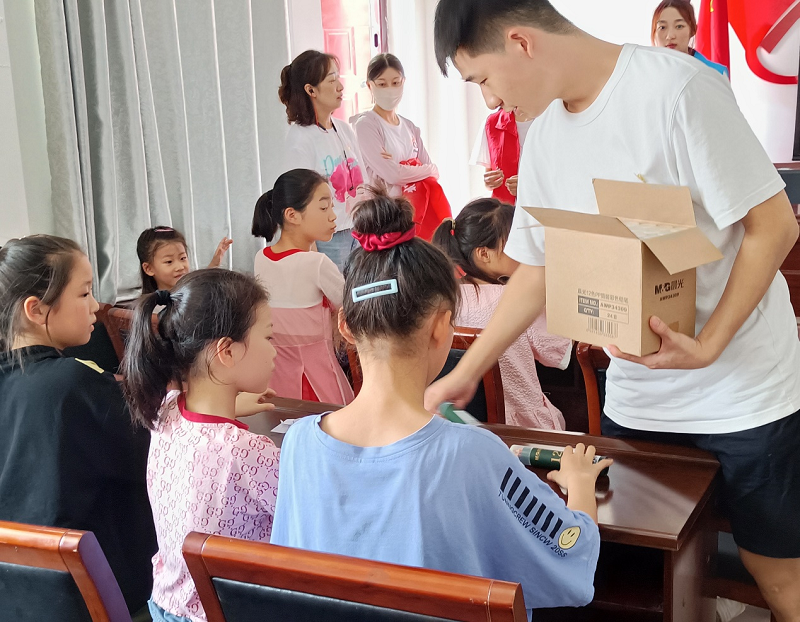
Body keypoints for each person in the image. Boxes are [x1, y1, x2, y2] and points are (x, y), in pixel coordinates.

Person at [427, 1, 800, 618]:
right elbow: (538, 267)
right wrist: (466, 372)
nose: (490, 100)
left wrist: (709, 344)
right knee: (651, 574)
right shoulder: (544, 135)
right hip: (639, 396)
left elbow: (775, 225)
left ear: (520, 42)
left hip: (743, 388)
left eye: (483, 79)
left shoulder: (679, 92)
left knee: (776, 572)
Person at [270, 191, 611, 620]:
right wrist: (579, 484)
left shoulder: (300, 443)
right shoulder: (471, 452)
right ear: (441, 325)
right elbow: (571, 560)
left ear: (347, 326)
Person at [0, 235, 156, 615]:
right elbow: (158, 458)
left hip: (17, 598)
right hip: (91, 600)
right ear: (36, 309)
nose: (97, 305)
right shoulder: (72, 383)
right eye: (84, 293)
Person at [122, 269, 281, 622]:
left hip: (164, 604)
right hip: (218, 613)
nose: (275, 350)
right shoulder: (246, 450)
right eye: (269, 337)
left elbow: (202, 422)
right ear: (225, 350)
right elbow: (307, 518)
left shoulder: (165, 410)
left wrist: (231, 402)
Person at [432, 199, 571, 429]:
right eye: (515, 244)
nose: (524, 252)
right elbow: (560, 353)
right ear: (484, 254)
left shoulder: (443, 300)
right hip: (523, 428)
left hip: (463, 426)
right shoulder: (518, 300)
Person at [252, 169, 354, 404]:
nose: (333, 216)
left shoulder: (262, 258)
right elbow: (351, 306)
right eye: (324, 208)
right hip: (319, 380)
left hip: (275, 380)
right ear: (292, 215)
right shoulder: (316, 264)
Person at [279, 50, 365, 270]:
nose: (340, 87)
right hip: (328, 240)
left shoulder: (344, 129)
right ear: (311, 90)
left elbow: (364, 183)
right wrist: (311, 252)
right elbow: (297, 202)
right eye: (332, 80)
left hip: (359, 231)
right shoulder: (300, 138)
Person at [351, 53, 451, 240]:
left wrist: (405, 167)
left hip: (414, 214)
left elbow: (433, 173)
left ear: (403, 82)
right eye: (382, 84)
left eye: (396, 82)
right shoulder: (367, 124)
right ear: (370, 86)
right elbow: (393, 175)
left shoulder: (409, 127)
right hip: (384, 217)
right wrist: (420, 168)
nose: (390, 89)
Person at [136, 226, 232, 293]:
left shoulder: (193, 294)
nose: (180, 267)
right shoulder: (152, 308)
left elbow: (203, 284)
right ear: (149, 269)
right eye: (169, 261)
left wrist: (215, 262)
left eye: (183, 258)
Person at [651, 0, 729, 78]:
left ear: (693, 30)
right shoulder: (647, 72)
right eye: (662, 27)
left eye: (679, 26)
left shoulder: (716, 73)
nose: (670, 36)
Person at [470, 107, 534, 203]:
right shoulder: (492, 123)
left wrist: (529, 186)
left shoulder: (550, 121)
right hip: (505, 208)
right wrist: (490, 182)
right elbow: (489, 179)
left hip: (542, 207)